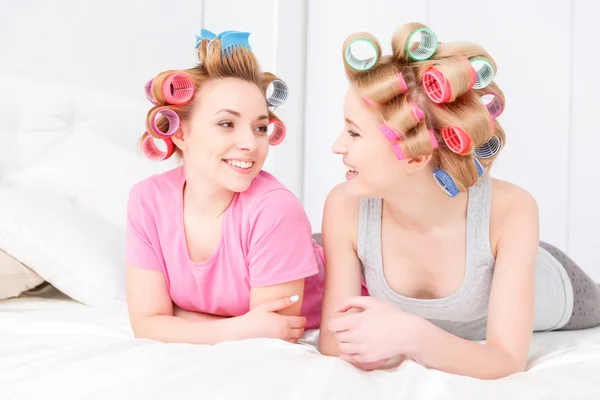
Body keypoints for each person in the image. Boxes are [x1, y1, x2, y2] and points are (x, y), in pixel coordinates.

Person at [318, 22, 600, 379]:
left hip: (554, 281)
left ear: (416, 156)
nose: (337, 146)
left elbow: (506, 361)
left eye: (354, 133)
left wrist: (410, 335)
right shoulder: (344, 207)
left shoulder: (513, 210)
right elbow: (332, 339)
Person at [125, 29, 324, 345]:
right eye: (227, 124)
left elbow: (275, 334)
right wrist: (235, 328)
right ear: (180, 133)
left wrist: (177, 317)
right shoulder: (148, 200)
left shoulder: (275, 210)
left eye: (260, 127)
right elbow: (146, 323)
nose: (250, 143)